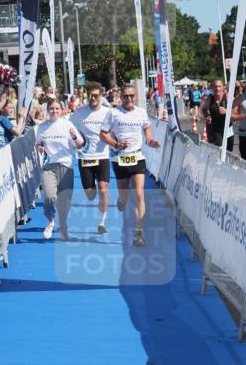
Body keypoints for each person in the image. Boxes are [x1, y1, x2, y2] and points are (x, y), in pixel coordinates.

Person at [100, 84, 161, 247]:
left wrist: (150, 140)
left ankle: (139, 234)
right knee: (125, 197)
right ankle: (121, 201)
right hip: (120, 159)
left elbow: (147, 128)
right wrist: (115, 144)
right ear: (121, 96)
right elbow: (103, 134)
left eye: (132, 96)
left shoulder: (141, 112)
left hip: (137, 156)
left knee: (139, 193)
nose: (129, 99)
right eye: (126, 96)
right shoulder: (113, 113)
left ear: (136, 97)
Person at [36, 99, 85, 241]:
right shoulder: (42, 127)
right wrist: (39, 147)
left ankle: (63, 224)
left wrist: (74, 137)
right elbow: (38, 143)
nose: (54, 111)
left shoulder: (67, 124)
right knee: (50, 196)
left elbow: (80, 144)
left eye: (57, 108)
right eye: (52, 108)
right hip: (49, 166)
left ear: (62, 110)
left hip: (66, 166)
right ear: (47, 110)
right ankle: (51, 220)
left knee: (65, 201)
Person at [70, 82, 112, 234]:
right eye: (91, 95)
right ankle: (92, 189)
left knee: (103, 189)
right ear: (87, 95)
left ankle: (102, 223)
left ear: (101, 96)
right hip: (85, 157)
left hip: (102, 156)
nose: (93, 98)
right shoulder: (78, 114)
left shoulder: (108, 113)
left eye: (96, 95)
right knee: (90, 194)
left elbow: (116, 129)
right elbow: (68, 129)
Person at [201, 80, 232, 151]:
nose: (217, 88)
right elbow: (204, 109)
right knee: (220, 150)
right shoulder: (210, 98)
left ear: (223, 87)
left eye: (219, 86)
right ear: (212, 88)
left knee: (229, 152)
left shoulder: (227, 97)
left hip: (228, 130)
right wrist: (207, 117)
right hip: (215, 129)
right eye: (215, 87)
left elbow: (234, 112)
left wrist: (226, 111)